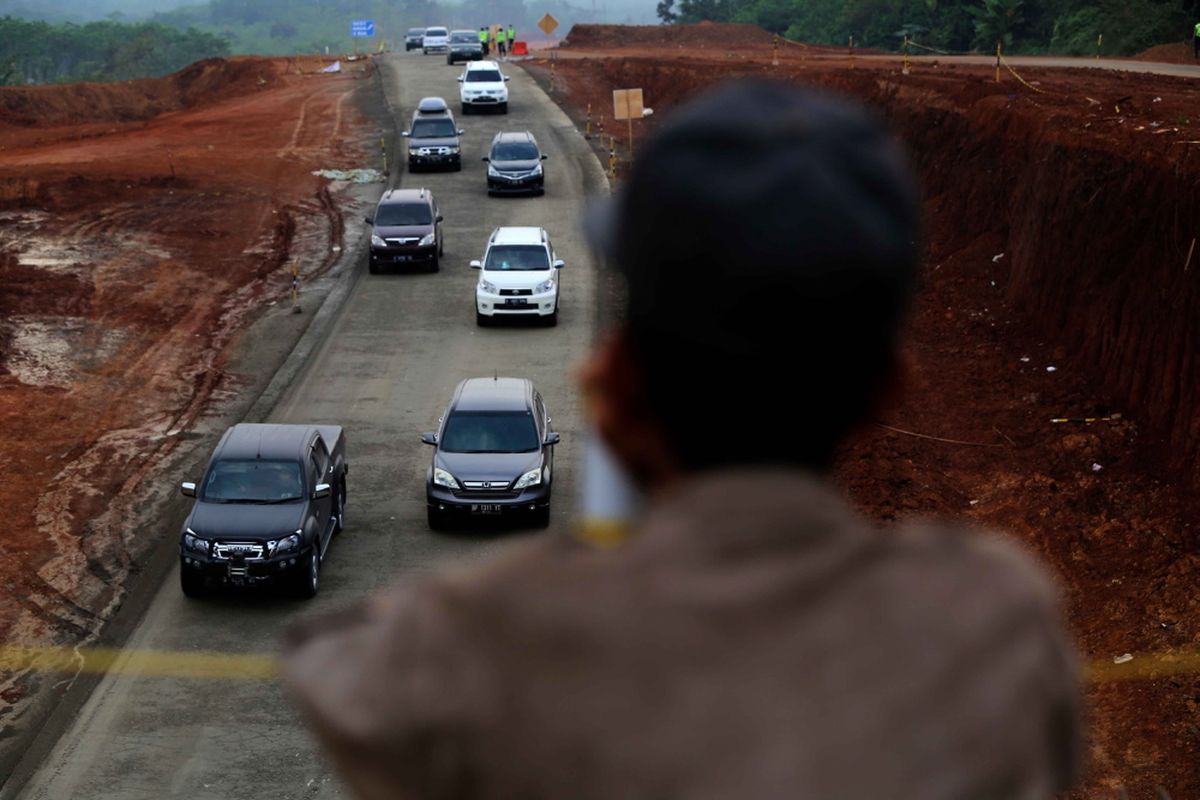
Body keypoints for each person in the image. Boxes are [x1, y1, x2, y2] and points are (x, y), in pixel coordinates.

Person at [284, 81, 1081, 799]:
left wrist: (606, 525)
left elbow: (338, 677)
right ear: (887, 389)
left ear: (621, 380)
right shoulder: (993, 621)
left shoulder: (480, 639)